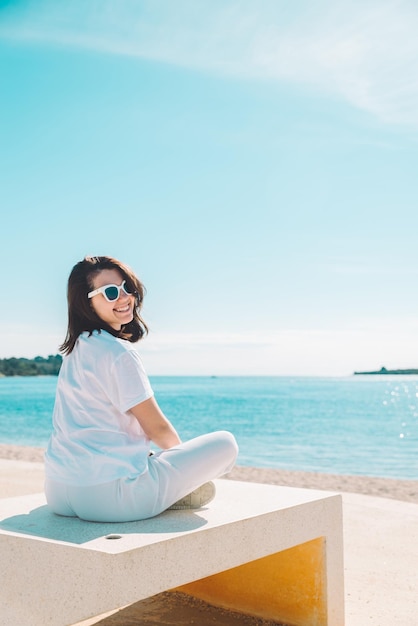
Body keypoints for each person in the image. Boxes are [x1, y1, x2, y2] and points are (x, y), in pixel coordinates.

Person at [44, 256, 238, 522]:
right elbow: (156, 428)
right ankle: (174, 492)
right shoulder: (118, 352)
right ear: (86, 302)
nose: (124, 298)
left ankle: (163, 484)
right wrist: (183, 466)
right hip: (110, 498)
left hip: (58, 492)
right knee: (226, 442)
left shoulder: (75, 350)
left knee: (149, 457)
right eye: (111, 292)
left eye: (127, 288)